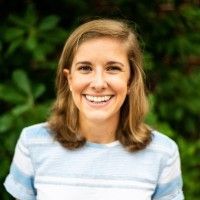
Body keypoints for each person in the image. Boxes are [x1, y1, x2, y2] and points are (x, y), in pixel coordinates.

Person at [4, 19, 184, 200]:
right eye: (85, 68)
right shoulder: (33, 143)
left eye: (113, 68)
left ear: (130, 80)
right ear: (69, 79)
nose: (98, 84)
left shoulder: (163, 153)